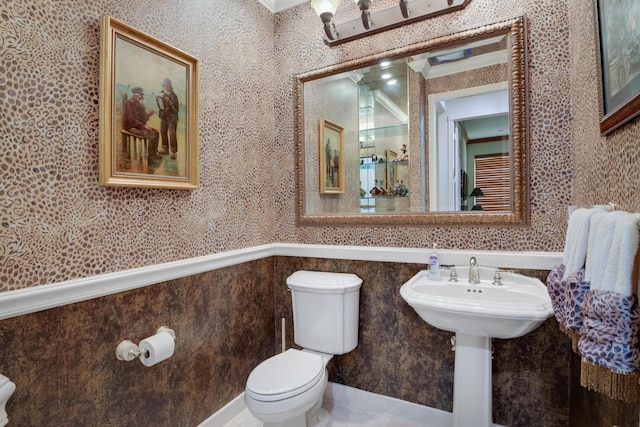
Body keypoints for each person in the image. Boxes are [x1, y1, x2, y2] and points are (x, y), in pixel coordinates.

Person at [124, 87, 160, 164]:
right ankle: (151, 159)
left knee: (156, 132)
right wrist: (144, 126)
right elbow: (131, 120)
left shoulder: (138, 103)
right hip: (131, 127)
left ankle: (154, 154)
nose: (143, 97)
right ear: (138, 95)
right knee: (152, 135)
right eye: (142, 95)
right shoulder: (130, 102)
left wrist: (148, 114)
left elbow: (141, 118)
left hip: (138, 126)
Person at [156, 78, 180, 160]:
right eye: (165, 86)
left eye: (167, 86)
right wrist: (158, 101)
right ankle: (165, 149)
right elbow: (159, 106)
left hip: (172, 117)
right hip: (164, 116)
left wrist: (170, 102)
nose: (166, 87)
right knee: (163, 131)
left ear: (170, 86)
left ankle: (173, 152)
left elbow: (176, 109)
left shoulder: (174, 96)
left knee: (172, 133)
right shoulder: (161, 93)